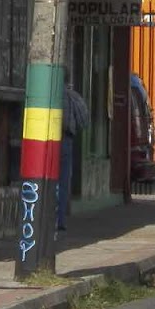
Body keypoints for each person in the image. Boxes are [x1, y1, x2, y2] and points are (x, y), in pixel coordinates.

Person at [59, 78, 88, 231]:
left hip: (44, 140)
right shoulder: (72, 96)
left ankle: (44, 217)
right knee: (63, 182)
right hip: (65, 139)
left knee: (43, 180)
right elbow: (84, 119)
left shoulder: (46, 94)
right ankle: (60, 220)